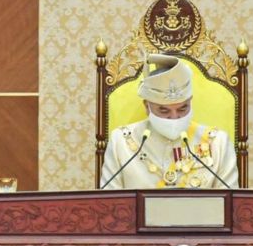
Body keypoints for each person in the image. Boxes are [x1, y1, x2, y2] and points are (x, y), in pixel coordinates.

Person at [100, 53, 238, 189]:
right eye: (164, 111)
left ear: (190, 102)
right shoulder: (122, 141)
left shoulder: (217, 142)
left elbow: (231, 204)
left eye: (183, 109)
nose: (174, 118)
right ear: (147, 107)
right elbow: (108, 203)